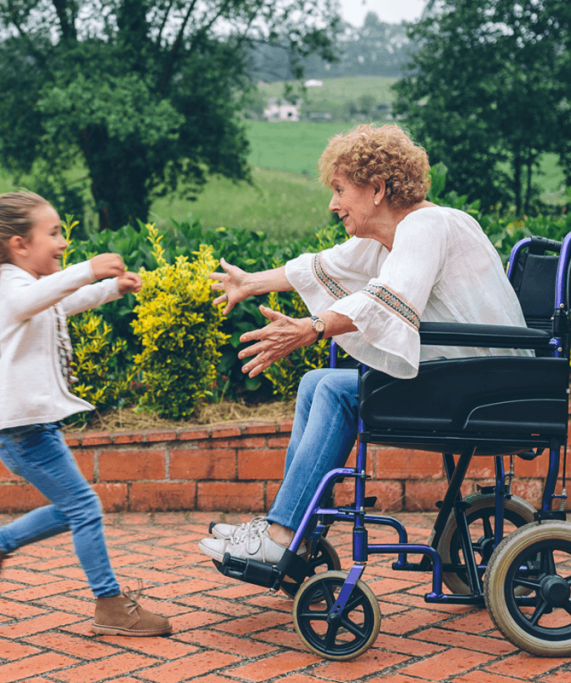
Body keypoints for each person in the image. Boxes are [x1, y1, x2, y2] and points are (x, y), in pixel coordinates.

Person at [198, 124, 532, 565]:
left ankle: (281, 535)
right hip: (467, 377)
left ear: (376, 188)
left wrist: (312, 328)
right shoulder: (389, 238)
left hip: (484, 388)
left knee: (338, 391)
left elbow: (387, 299)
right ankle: (295, 528)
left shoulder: (426, 226)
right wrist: (249, 283)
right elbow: (321, 266)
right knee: (317, 381)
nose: (332, 204)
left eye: (339, 189)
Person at [0, 192, 171, 637]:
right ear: (18, 245)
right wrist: (88, 270)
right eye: (53, 233)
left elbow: (61, 303)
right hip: (21, 431)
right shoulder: (14, 289)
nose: (63, 241)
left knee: (76, 506)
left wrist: (109, 288)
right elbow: (44, 296)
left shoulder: (30, 287)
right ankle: (108, 604)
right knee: (84, 506)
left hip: (29, 428)